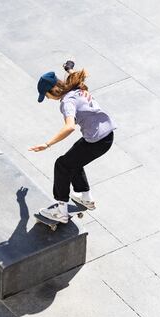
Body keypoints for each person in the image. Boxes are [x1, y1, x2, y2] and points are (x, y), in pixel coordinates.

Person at [29, 61, 116, 223]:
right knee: (72, 159)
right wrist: (68, 67)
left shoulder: (67, 102)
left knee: (62, 165)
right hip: (106, 136)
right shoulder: (75, 86)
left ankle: (61, 211)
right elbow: (73, 74)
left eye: (46, 95)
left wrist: (47, 144)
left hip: (96, 141)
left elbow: (70, 127)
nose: (47, 99)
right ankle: (86, 198)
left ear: (54, 90)